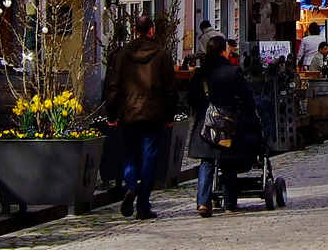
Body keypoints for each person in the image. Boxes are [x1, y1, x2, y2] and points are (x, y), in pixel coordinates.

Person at [103, 14, 179, 221]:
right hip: (153, 114)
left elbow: (112, 85)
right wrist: (170, 114)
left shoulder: (123, 54)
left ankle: (130, 187)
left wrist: (111, 113)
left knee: (130, 155)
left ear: (135, 31)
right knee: (149, 159)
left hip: (129, 113)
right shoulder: (162, 54)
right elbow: (170, 89)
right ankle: (143, 204)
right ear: (152, 30)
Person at [188, 34, 259, 217]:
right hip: (228, 122)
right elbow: (247, 96)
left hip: (206, 121)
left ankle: (203, 202)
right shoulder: (233, 71)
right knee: (228, 161)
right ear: (223, 51)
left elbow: (191, 99)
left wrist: (205, 109)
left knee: (207, 162)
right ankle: (229, 203)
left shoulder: (201, 72)